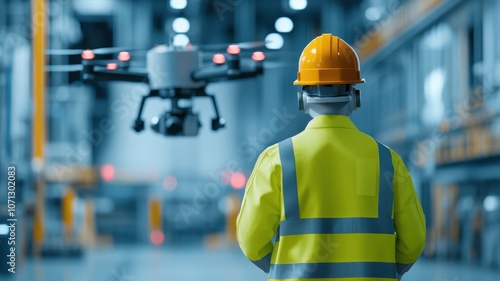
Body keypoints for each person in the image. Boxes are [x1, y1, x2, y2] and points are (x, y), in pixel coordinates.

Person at [236, 34, 426, 281]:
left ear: (302, 98)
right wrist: (388, 269)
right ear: (355, 96)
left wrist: (281, 268)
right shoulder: (387, 159)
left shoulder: (277, 159)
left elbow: (251, 241)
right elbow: (414, 240)